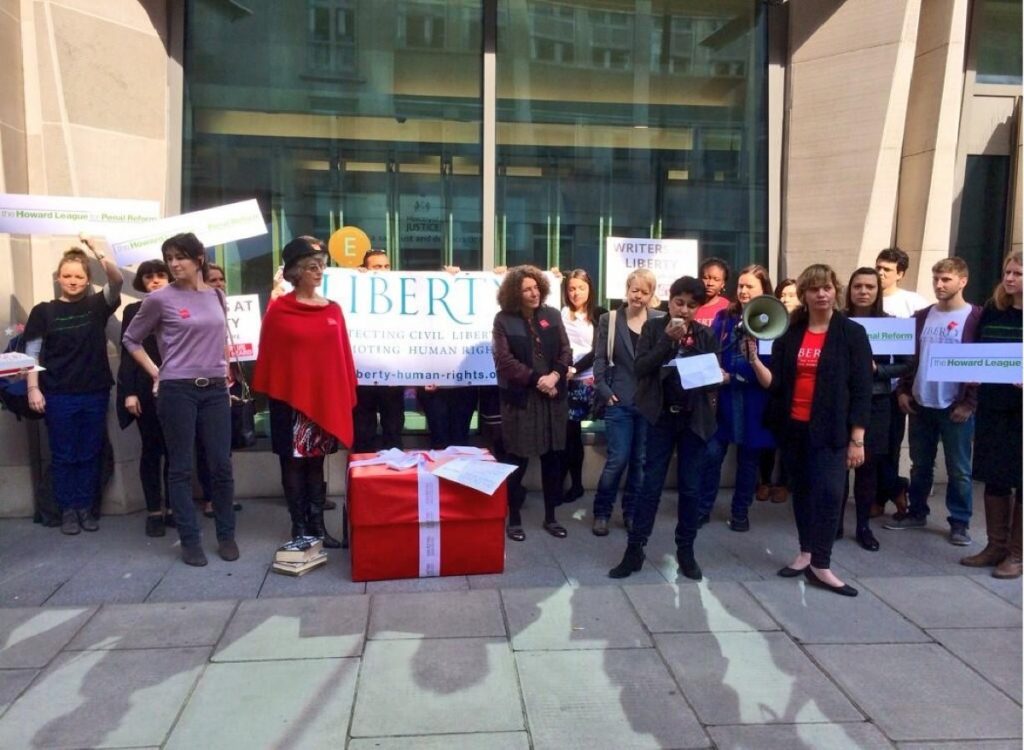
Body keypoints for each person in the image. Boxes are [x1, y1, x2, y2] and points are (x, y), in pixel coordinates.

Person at [123, 232, 238, 567]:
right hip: (177, 390)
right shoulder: (160, 299)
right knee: (181, 467)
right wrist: (156, 372)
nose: (174, 264)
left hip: (216, 388)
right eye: (169, 258)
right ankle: (190, 540)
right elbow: (131, 339)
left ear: (198, 258)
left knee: (221, 465)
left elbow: (222, 341)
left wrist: (226, 375)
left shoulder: (216, 296)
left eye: (180, 257)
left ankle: (226, 535)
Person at [763, 264, 872, 597]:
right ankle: (805, 552)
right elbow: (778, 383)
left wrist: (857, 439)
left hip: (833, 431)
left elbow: (862, 388)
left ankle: (821, 565)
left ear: (834, 290)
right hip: (795, 427)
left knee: (828, 494)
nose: (821, 294)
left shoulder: (851, 333)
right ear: (804, 295)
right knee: (803, 492)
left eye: (826, 287)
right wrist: (754, 361)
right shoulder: (791, 332)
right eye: (814, 289)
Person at [608, 276, 720, 581]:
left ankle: (686, 551)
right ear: (669, 301)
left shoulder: (705, 334)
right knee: (650, 485)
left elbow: (711, 373)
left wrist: (715, 375)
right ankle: (635, 550)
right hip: (659, 418)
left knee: (691, 487)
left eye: (691, 306)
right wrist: (668, 341)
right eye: (678, 303)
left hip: (693, 420)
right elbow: (641, 367)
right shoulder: (653, 328)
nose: (683, 310)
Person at [253, 237, 357, 548]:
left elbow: (342, 358)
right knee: (292, 462)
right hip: (289, 401)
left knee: (316, 463)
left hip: (322, 401)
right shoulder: (279, 310)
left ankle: (319, 527)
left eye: (322, 265)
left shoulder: (333, 310)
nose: (319, 271)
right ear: (296, 271)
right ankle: (299, 527)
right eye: (313, 266)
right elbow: (271, 358)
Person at [24, 237, 123, 535]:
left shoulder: (97, 305)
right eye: (67, 275)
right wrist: (33, 388)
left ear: (88, 279)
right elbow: (31, 354)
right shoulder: (43, 311)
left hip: (94, 392)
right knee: (64, 455)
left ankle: (85, 508)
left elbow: (117, 280)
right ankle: (67, 510)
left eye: (79, 276)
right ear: (58, 278)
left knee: (90, 452)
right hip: (57, 395)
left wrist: (98, 251)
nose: (73, 281)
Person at [884, 257, 981, 545]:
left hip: (955, 406)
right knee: (919, 464)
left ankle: (960, 522)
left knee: (959, 469)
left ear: (962, 281)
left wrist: (969, 403)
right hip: (921, 403)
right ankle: (917, 511)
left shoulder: (975, 317)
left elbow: (981, 363)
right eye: (936, 278)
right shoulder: (922, 316)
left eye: (946, 279)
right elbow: (909, 358)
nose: (939, 285)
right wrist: (902, 390)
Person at [492, 265, 572, 541]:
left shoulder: (551, 315)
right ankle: (513, 518)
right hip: (521, 401)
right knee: (517, 460)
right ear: (515, 293)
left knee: (552, 460)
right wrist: (540, 379)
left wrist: (555, 376)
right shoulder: (503, 320)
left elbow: (565, 350)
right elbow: (504, 362)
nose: (533, 292)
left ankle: (551, 517)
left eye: (536, 287)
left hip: (553, 400)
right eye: (526, 289)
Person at [699, 265, 776, 533]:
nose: (743, 291)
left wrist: (735, 375)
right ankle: (703, 508)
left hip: (755, 402)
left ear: (764, 290)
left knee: (748, 462)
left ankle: (740, 512)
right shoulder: (725, 316)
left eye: (750, 286)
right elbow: (713, 351)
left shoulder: (773, 320)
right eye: (741, 286)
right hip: (724, 400)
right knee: (712, 455)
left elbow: (771, 367)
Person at [839, 267, 911, 551]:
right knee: (839, 468)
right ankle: (835, 524)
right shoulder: (838, 321)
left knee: (868, 468)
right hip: (841, 401)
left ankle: (863, 527)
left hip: (877, 400)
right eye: (858, 286)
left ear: (877, 291)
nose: (864, 291)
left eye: (870, 286)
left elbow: (907, 364)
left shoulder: (891, 323)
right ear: (850, 289)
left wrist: (878, 369)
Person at [961, 251, 1022, 577]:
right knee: (995, 476)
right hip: (994, 406)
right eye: (1007, 272)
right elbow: (978, 352)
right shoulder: (994, 311)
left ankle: (1016, 553)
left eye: (1018, 273)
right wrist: (973, 370)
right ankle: (995, 545)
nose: (1010, 278)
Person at [591, 268, 664, 535]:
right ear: (627, 290)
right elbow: (599, 358)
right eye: (635, 290)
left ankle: (631, 513)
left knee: (640, 462)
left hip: (647, 404)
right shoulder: (609, 320)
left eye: (645, 292)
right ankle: (602, 512)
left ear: (652, 296)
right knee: (617, 460)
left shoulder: (660, 320)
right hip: (618, 401)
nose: (639, 296)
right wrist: (603, 389)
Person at [117, 259, 172, 537]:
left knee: (176, 451)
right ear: (142, 282)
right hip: (143, 388)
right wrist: (128, 392)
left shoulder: (180, 306)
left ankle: (173, 508)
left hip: (177, 388)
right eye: (149, 276)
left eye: (161, 274)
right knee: (151, 450)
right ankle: (154, 511)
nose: (155, 280)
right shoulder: (134, 310)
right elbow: (127, 351)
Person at [874, 247, 929, 516]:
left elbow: (917, 350)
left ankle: (888, 493)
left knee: (890, 447)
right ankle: (889, 490)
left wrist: (906, 386)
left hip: (897, 388)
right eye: (878, 267)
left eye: (887, 269)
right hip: (870, 387)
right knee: (873, 447)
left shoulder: (913, 303)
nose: (880, 273)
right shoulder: (870, 299)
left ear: (901, 273)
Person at [198, 262, 243, 515]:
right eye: (212, 280)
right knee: (206, 446)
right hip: (206, 383)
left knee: (224, 447)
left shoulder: (234, 307)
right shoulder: (202, 309)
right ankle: (210, 497)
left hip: (230, 383)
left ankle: (224, 495)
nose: (218, 283)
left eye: (221, 279)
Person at [559, 269, 606, 504]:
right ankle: (574, 484)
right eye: (571, 288)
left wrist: (575, 369)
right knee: (570, 435)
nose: (575, 293)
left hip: (592, 380)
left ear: (590, 289)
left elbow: (599, 349)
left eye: (581, 288)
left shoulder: (600, 314)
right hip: (567, 382)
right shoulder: (561, 314)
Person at [352, 248, 405, 452]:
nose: (383, 270)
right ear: (365, 268)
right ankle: (363, 478)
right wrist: (354, 279)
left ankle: (393, 479)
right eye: (376, 267)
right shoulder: (356, 290)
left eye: (386, 266)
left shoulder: (402, 292)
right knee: (363, 432)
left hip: (393, 374)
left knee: (393, 431)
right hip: (363, 376)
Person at [756, 278, 800, 504]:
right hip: (771, 389)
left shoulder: (803, 325)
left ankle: (783, 483)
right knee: (768, 440)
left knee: (788, 442)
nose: (785, 299)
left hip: (794, 391)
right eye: (782, 294)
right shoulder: (769, 321)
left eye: (791, 295)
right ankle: (764, 481)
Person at [695, 257, 731, 327]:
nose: (710, 283)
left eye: (716, 279)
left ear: (723, 284)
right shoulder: (691, 305)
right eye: (706, 278)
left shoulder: (727, 307)